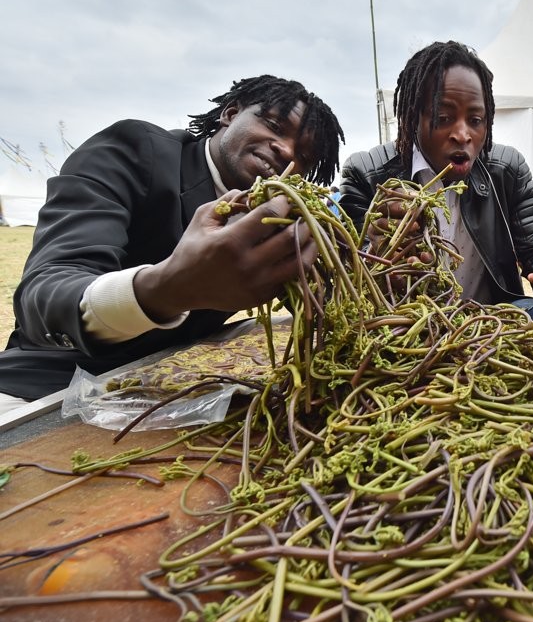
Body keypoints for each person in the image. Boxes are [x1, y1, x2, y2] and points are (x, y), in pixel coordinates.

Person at [0, 75, 346, 411]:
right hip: (44, 392)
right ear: (230, 113)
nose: (285, 151)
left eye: (304, 156)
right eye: (274, 126)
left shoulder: (275, 219)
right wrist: (165, 289)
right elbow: (42, 295)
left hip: (174, 393)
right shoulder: (136, 149)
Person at [338, 41, 533, 324]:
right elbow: (344, 286)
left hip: (491, 324)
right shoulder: (366, 175)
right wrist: (375, 255)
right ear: (412, 118)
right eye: (443, 117)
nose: (462, 134)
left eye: (475, 120)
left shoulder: (507, 171)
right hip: (402, 326)